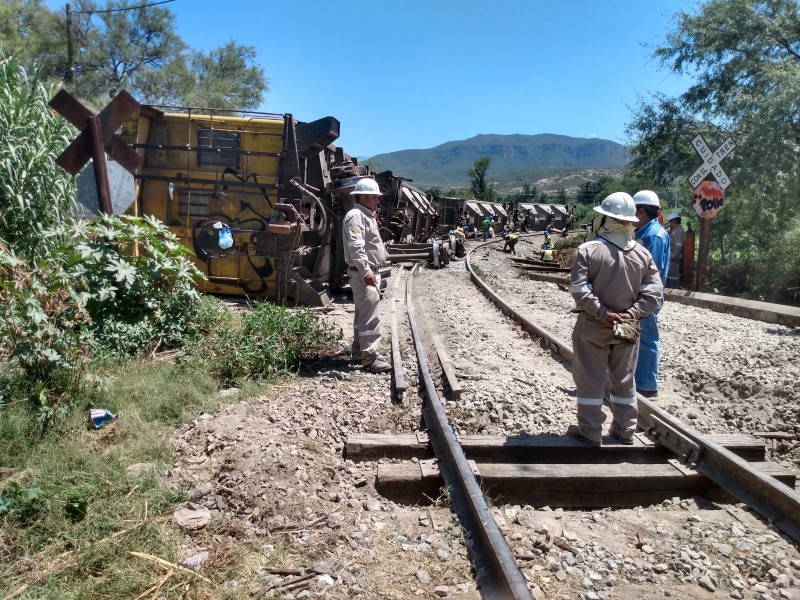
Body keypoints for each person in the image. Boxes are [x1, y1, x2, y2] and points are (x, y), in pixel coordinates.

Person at [566, 192, 663, 446]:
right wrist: (631, 314)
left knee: (591, 378)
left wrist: (603, 314)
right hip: (628, 327)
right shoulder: (642, 255)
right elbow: (654, 295)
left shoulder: (588, 250)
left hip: (594, 325)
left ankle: (590, 431)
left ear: (605, 218)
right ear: (629, 222)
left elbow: (579, 290)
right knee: (624, 379)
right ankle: (625, 431)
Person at [342, 177, 391, 373]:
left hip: (365, 272)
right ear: (362, 197)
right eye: (373, 197)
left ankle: (358, 352)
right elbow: (356, 248)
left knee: (363, 315)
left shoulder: (365, 214)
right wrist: (366, 271)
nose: (377, 200)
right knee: (370, 318)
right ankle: (370, 358)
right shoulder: (356, 216)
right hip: (364, 274)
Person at [632, 190, 671, 399]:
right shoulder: (646, 232)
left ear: (641, 211)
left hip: (648, 295)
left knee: (647, 338)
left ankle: (647, 385)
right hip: (644, 294)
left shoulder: (653, 236)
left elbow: (651, 270)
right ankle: (640, 380)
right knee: (640, 337)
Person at [667, 212, 686, 288]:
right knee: (669, 274)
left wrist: (674, 256)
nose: (670, 224)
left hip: (674, 256)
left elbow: (678, 246)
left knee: (673, 275)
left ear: (674, 222)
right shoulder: (673, 230)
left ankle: (674, 290)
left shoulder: (679, 231)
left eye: (670, 222)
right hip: (670, 254)